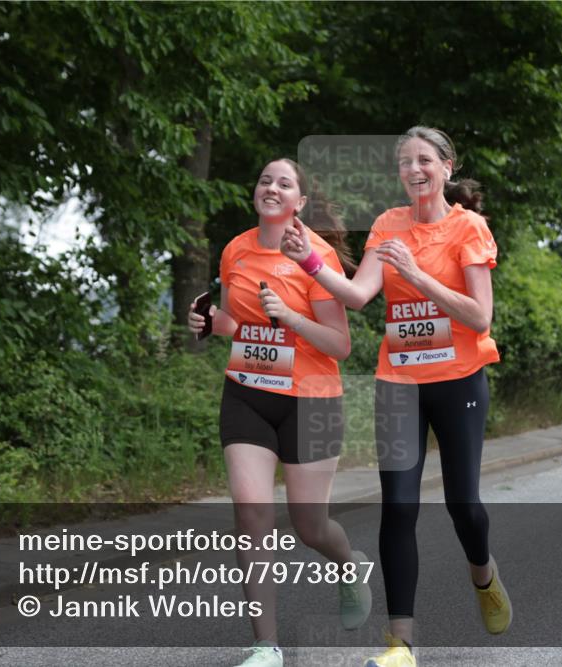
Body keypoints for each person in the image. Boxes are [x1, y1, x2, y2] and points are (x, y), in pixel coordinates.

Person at [281, 127, 509, 667]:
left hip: (459, 382)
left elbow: (480, 316)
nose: (413, 169)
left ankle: (484, 575)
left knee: (463, 506)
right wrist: (309, 262)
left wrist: (418, 276)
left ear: (446, 168)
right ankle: (400, 645)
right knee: (398, 507)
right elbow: (359, 295)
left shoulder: (468, 229)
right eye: (404, 162)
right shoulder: (388, 225)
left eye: (424, 160)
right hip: (399, 382)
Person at [188, 158, 371, 667]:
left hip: (311, 401)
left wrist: (290, 315)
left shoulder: (318, 255)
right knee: (250, 515)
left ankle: (349, 564)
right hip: (247, 392)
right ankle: (266, 647)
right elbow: (239, 325)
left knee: (309, 527)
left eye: (284, 183)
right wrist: (209, 322)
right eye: (265, 179)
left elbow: (339, 344)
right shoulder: (235, 250)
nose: (271, 187)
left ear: (300, 202)